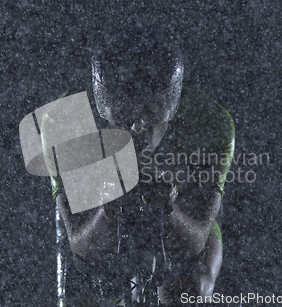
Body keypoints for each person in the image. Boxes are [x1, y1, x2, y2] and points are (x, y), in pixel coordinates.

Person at [46, 24, 235, 305]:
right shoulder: (65, 123)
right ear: (102, 100)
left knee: (188, 293)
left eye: (153, 108)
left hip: (182, 208)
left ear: (173, 100)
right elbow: (83, 246)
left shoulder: (210, 124)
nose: (137, 124)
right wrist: (107, 211)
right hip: (97, 216)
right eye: (123, 108)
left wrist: (169, 208)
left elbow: (193, 243)